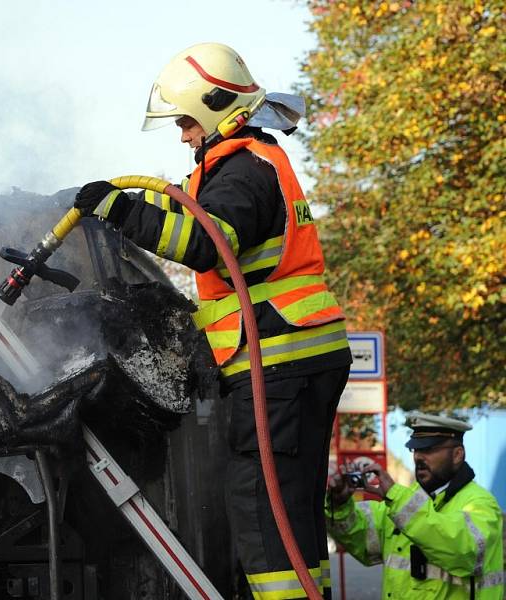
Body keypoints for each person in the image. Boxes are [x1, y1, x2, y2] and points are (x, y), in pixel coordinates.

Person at [74, 42, 352, 598]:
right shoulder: (249, 166)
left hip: (280, 363)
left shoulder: (244, 170)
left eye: (184, 121)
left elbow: (207, 242)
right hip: (291, 360)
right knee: (292, 511)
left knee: (263, 506)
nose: (183, 135)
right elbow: (205, 228)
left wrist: (123, 210)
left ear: (215, 107)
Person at [326, 412, 504, 599]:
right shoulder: (403, 504)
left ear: (457, 454)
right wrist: (340, 505)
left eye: (429, 449)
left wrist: (397, 498)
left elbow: (463, 552)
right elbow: (362, 542)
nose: (419, 457)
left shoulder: (480, 504)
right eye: (416, 449)